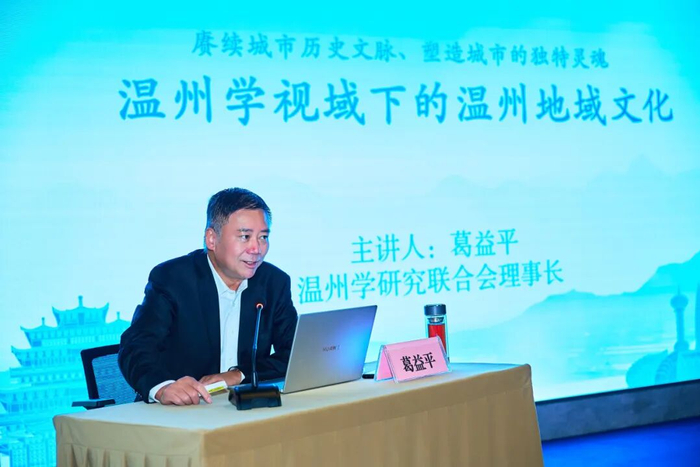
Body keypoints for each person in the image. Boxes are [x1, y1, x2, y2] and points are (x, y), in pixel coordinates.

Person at [118, 188, 298, 405]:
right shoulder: (173, 279)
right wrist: (164, 387)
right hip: (183, 410)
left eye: (263, 237)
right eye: (245, 237)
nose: (256, 248)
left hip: (244, 407)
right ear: (212, 239)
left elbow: (295, 354)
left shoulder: (274, 282)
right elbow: (135, 347)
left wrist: (238, 374)